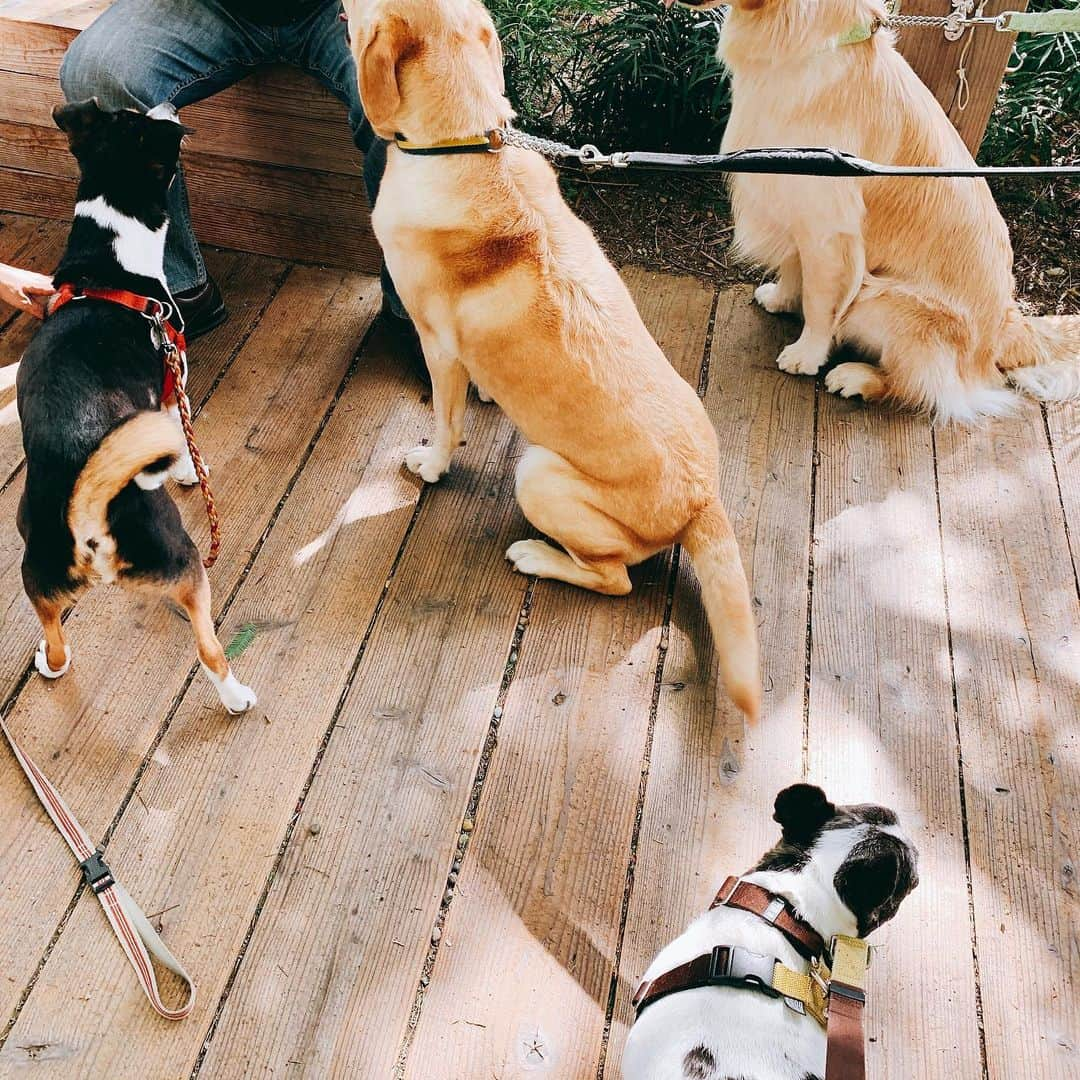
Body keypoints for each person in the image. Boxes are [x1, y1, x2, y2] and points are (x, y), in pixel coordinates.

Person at [59, 0, 406, 340]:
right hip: (206, 8)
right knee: (94, 74)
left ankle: (414, 308)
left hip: (339, 9)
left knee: (409, 84)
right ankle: (176, 293)